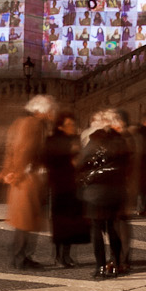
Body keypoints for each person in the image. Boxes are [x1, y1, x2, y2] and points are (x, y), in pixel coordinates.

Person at [0, 95, 54, 269]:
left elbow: (10, 149)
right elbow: (25, 149)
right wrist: (19, 172)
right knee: (27, 220)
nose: (53, 112)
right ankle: (21, 258)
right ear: (41, 110)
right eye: (50, 109)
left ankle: (19, 257)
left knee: (24, 221)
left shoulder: (20, 122)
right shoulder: (34, 124)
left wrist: (9, 171)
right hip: (28, 179)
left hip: (22, 179)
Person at [78, 110, 134, 278]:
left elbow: (81, 162)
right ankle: (116, 264)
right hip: (116, 191)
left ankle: (100, 266)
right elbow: (126, 166)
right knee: (113, 228)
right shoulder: (121, 141)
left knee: (96, 230)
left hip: (96, 193)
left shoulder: (95, 139)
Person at [44, 113, 87, 268]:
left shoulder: (72, 140)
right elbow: (52, 162)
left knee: (72, 223)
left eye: (73, 125)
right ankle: (58, 257)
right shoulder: (53, 141)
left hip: (73, 186)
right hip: (60, 187)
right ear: (60, 126)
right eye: (69, 124)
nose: (72, 127)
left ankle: (66, 255)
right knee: (61, 223)